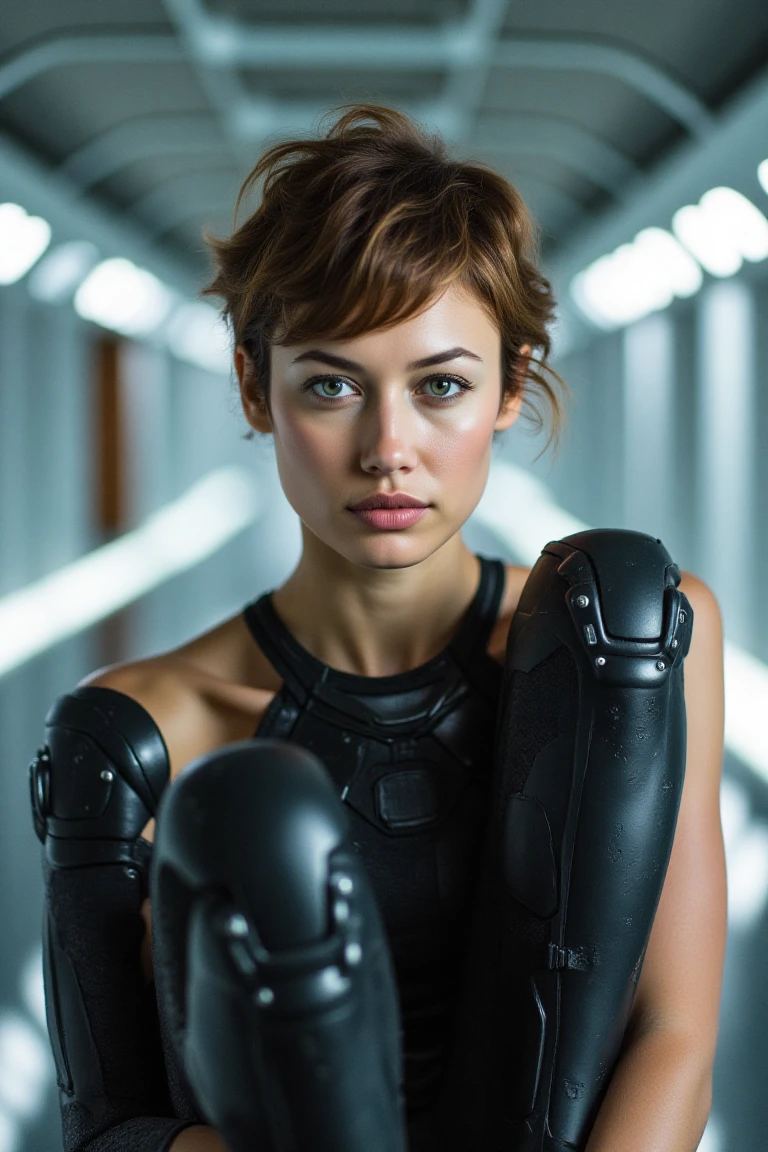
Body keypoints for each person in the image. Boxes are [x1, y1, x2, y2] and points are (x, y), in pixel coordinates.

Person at [30, 104, 726, 1152]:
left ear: (511, 385)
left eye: (441, 384)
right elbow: (107, 1125)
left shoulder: (644, 640)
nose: (388, 447)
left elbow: (675, 1034)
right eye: (332, 384)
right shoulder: (141, 730)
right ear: (256, 387)